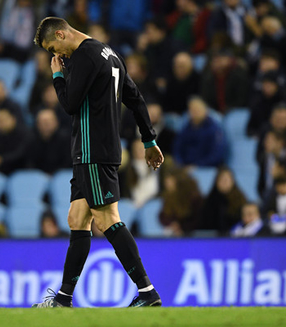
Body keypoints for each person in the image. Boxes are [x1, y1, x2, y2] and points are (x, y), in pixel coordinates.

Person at [32, 17, 164, 308]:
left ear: (62, 34)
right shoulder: (109, 53)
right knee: (77, 219)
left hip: (93, 151)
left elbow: (69, 104)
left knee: (106, 219)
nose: (58, 55)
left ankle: (147, 291)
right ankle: (63, 299)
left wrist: (57, 75)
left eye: (55, 47)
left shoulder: (83, 56)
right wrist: (149, 139)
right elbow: (135, 98)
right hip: (93, 151)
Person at [172, 97, 227, 168]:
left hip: (205, 167)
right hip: (185, 166)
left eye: (198, 110)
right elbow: (177, 148)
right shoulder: (186, 128)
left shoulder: (214, 129)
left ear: (205, 111)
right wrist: (180, 163)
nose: (195, 113)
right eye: (192, 110)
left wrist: (198, 165)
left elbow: (216, 154)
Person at [202, 167, 247, 235]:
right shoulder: (209, 202)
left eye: (227, 179)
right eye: (222, 179)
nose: (224, 182)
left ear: (232, 181)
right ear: (216, 182)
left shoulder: (240, 200)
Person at [159, 167, 203, 237]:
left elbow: (198, 219)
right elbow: (163, 216)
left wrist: (181, 227)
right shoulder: (168, 196)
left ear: (178, 181)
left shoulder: (194, 198)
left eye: (169, 181)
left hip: (194, 236)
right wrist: (172, 224)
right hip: (174, 233)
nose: (166, 183)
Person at [0, 109, 30, 174]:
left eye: (3, 120)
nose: (0, 124)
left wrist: (0, 160)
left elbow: (20, 154)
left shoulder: (24, 134)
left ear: (13, 119)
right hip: (0, 173)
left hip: (21, 171)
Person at [27, 108, 71, 174]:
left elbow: (67, 163)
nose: (45, 125)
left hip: (60, 176)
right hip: (38, 178)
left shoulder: (65, 139)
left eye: (48, 122)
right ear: (37, 124)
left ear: (56, 122)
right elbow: (30, 163)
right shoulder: (32, 140)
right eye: (42, 122)